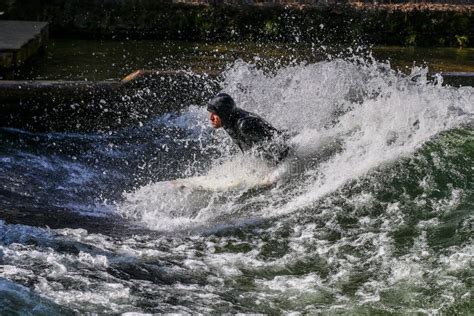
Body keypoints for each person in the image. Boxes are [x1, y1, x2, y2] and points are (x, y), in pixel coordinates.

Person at [207, 93, 290, 164]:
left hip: (288, 145)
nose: (211, 118)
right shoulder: (227, 121)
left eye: (214, 114)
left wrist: (278, 170)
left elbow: (280, 147)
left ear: (223, 114)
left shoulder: (245, 126)